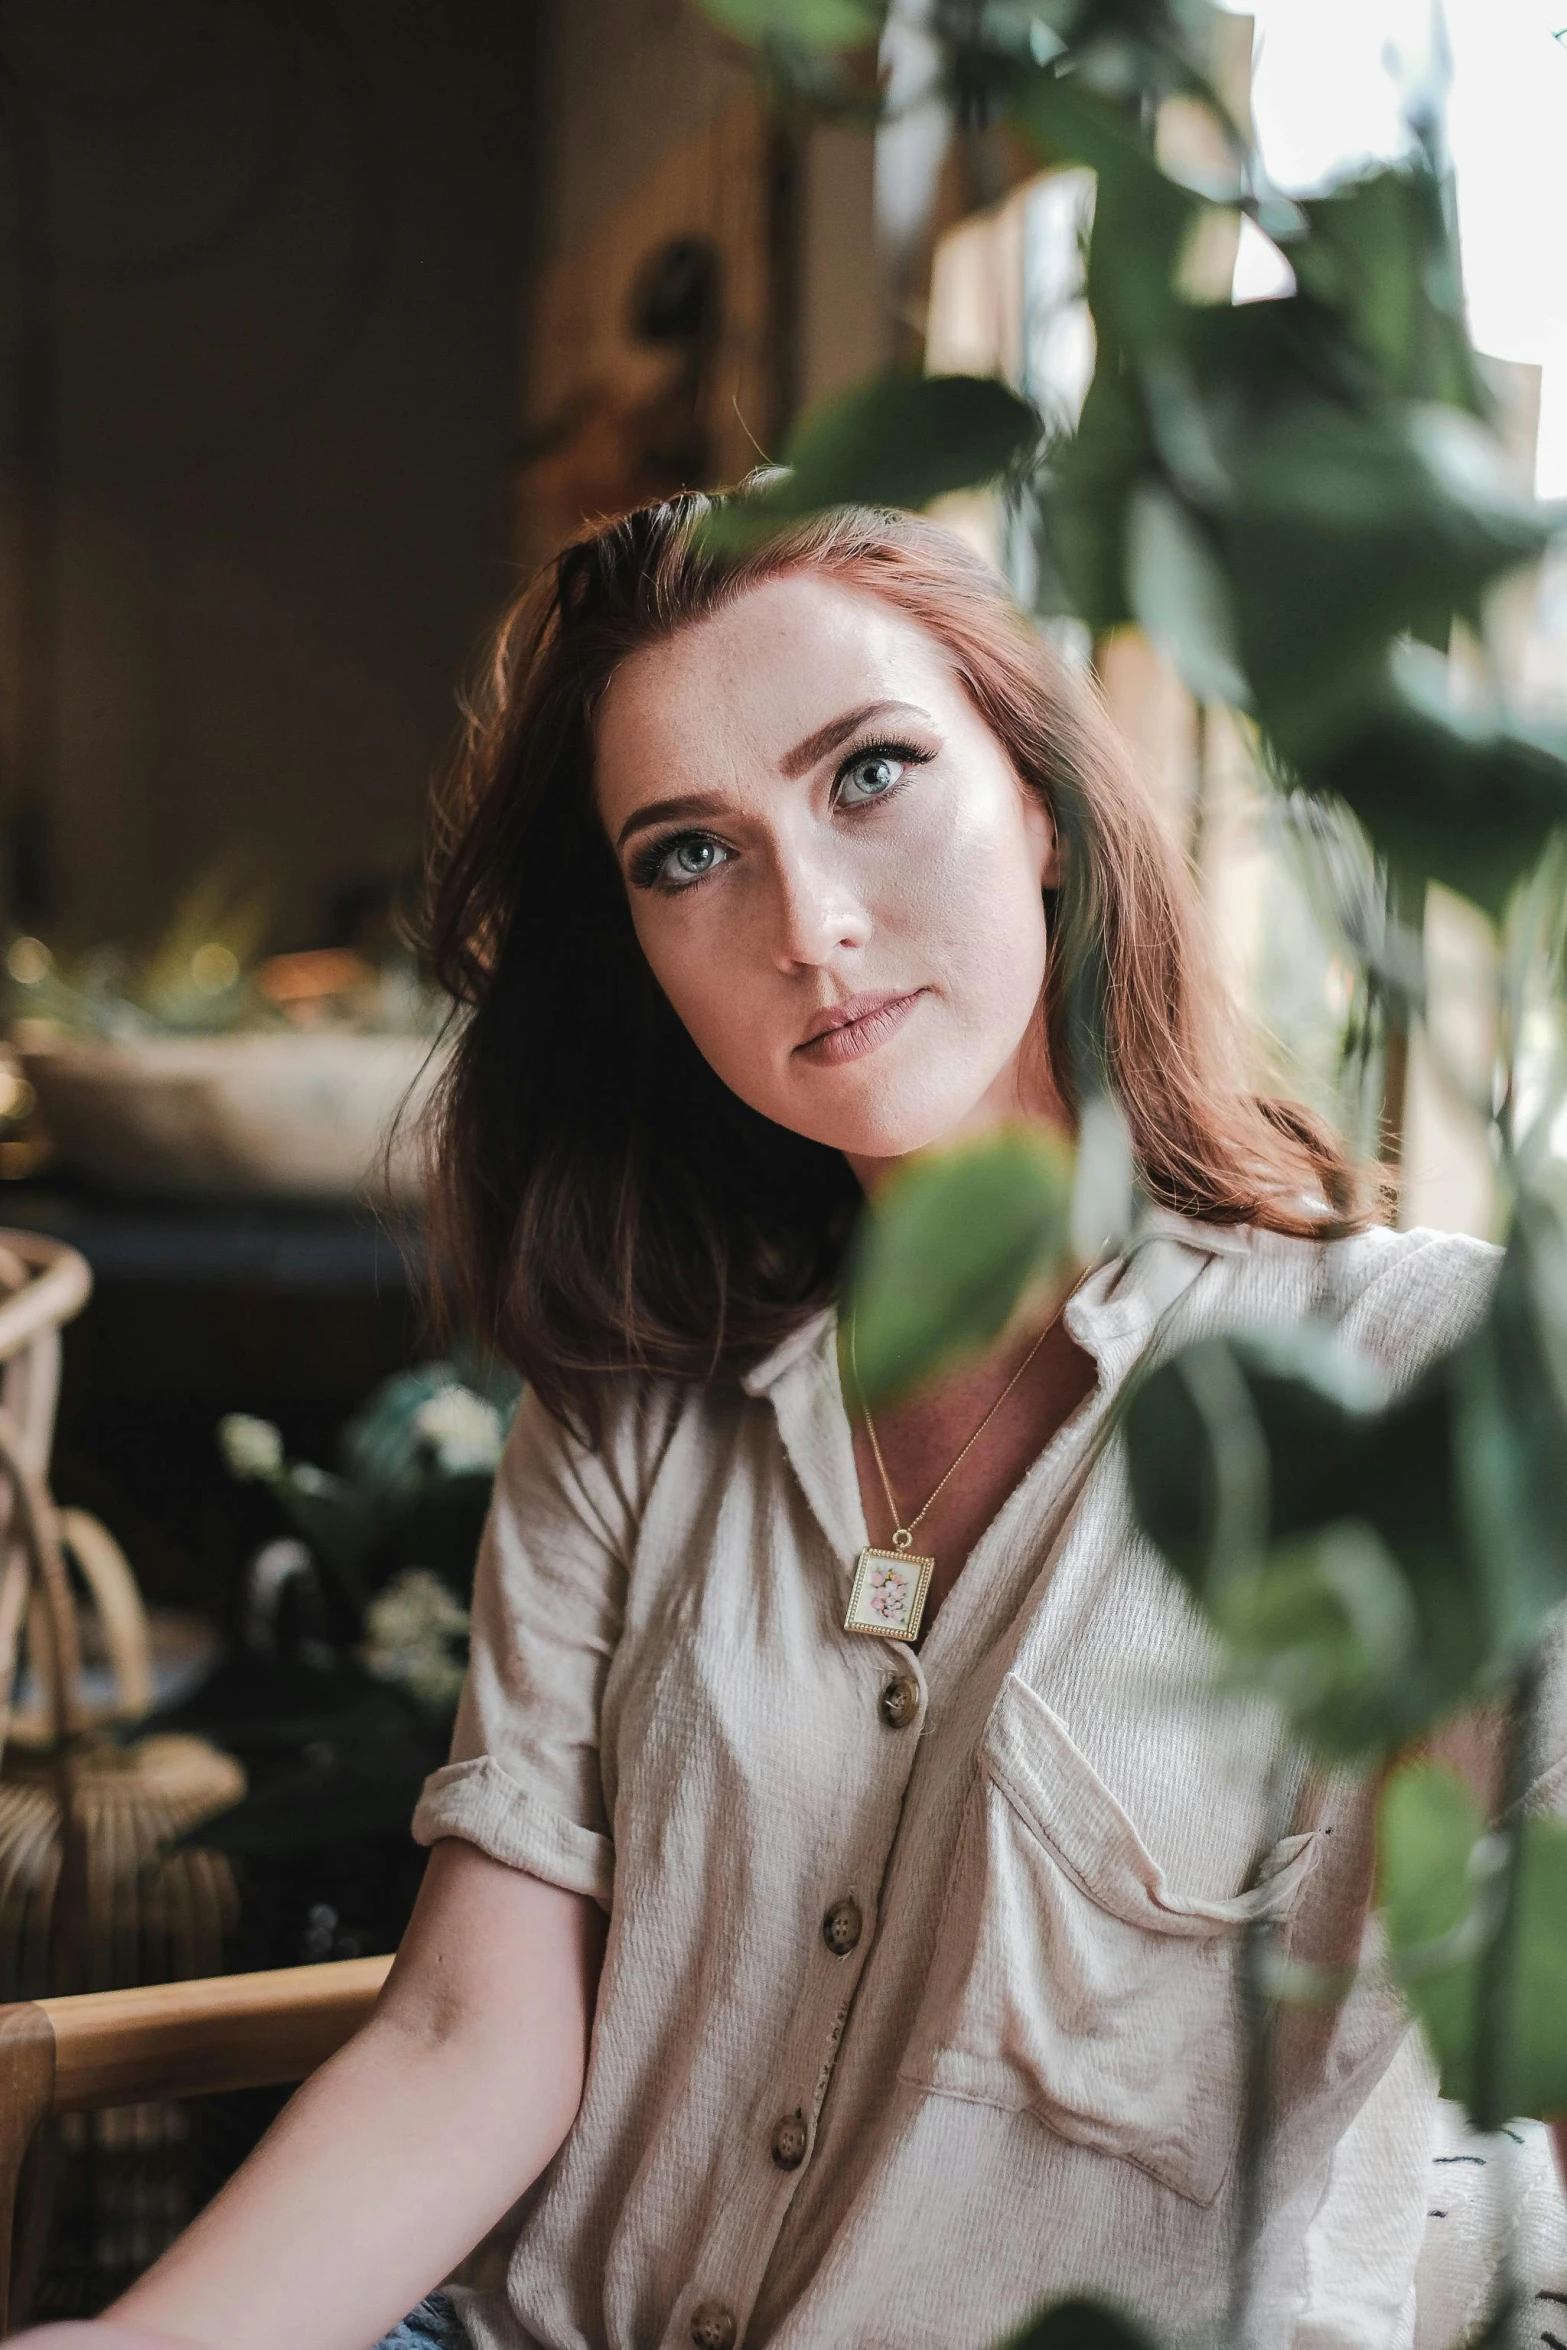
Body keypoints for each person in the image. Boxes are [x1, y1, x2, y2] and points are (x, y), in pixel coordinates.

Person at [18, 497, 1527, 2350]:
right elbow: (467, 2034)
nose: (805, 921)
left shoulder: (1412, 1378)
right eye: (685, 854)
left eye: (871, 772)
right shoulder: (637, 1395)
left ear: (1042, 799)